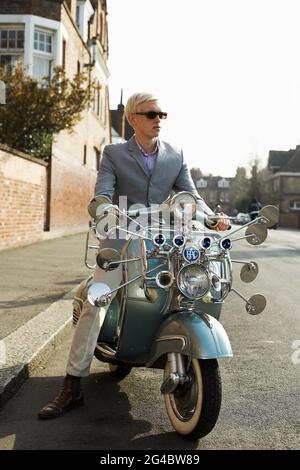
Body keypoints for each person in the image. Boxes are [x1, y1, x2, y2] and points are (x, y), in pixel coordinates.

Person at [37, 92, 230, 419]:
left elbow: (191, 198)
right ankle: (71, 386)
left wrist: (211, 218)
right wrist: (104, 209)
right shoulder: (114, 153)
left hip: (166, 238)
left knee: (196, 286)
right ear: (132, 119)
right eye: (151, 114)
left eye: (162, 114)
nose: (158, 120)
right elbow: (101, 194)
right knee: (95, 303)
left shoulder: (176, 155)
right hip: (122, 237)